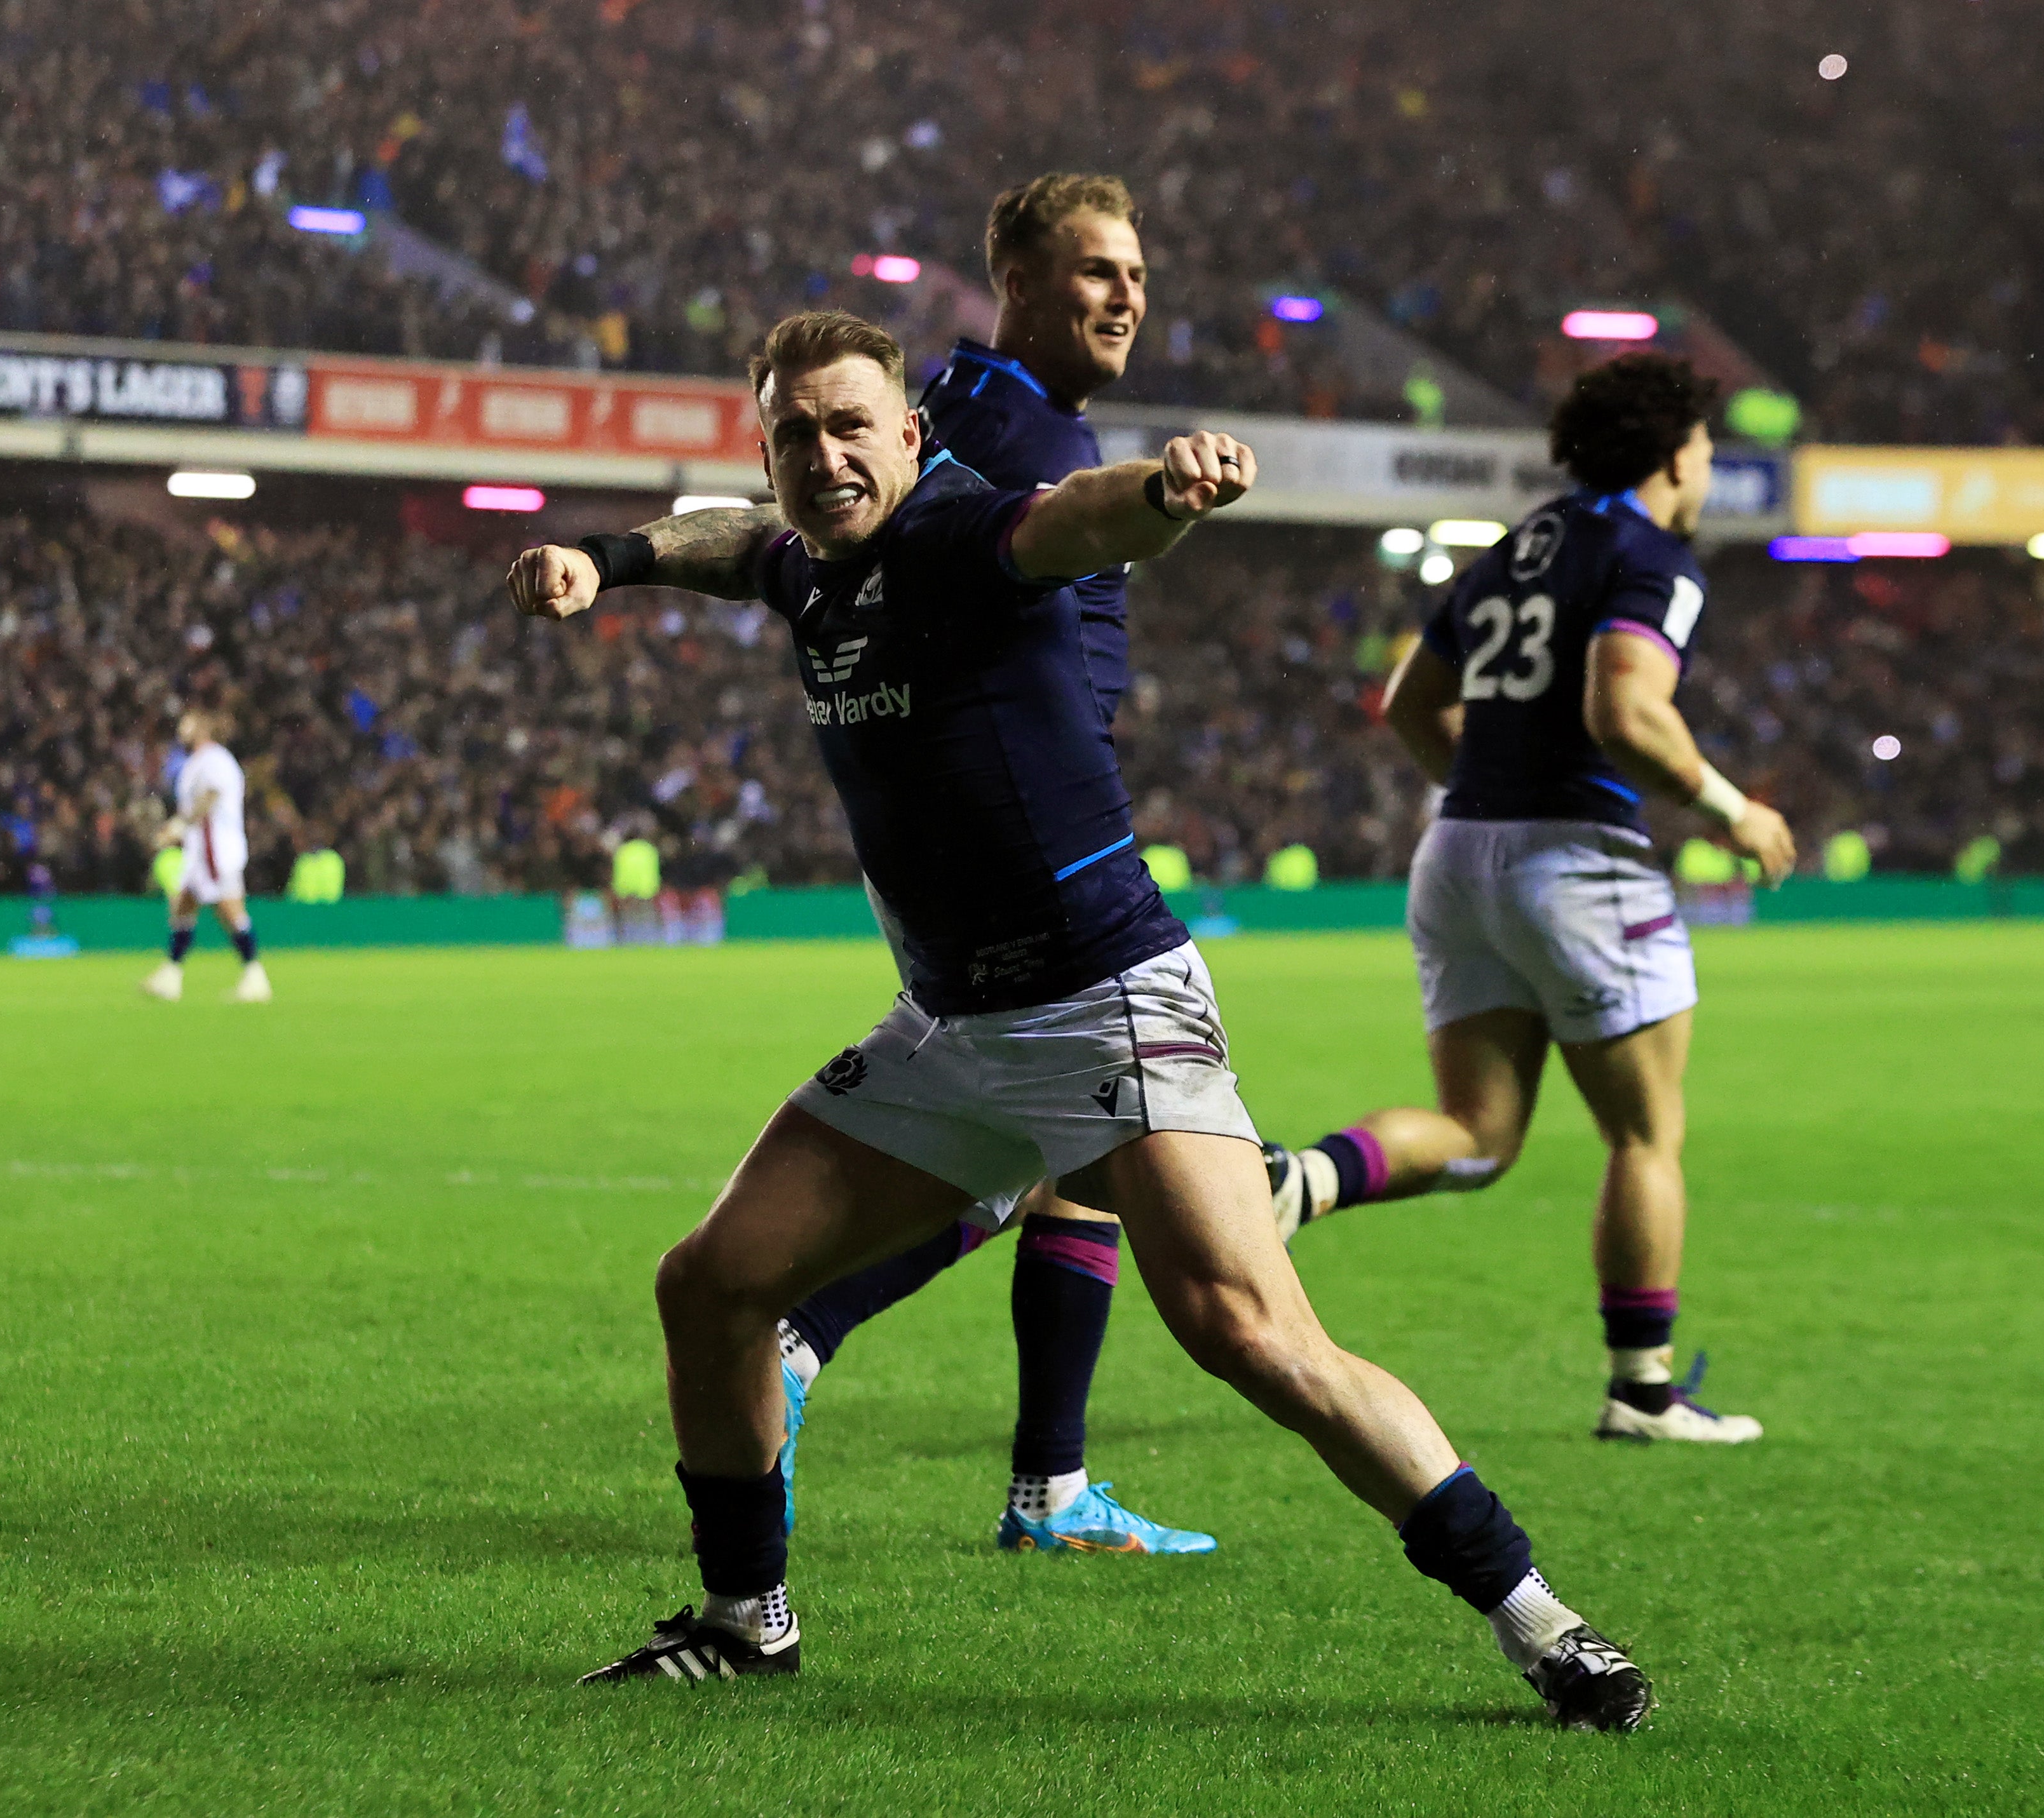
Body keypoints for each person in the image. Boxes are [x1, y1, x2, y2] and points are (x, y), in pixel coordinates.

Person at [506, 311, 1652, 1728]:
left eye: (848, 424)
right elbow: (735, 540)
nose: (821, 453)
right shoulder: (805, 564)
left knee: (1250, 1332)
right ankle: (747, 1622)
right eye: (792, 432)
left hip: (1104, 1007)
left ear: (910, 437)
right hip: (948, 1031)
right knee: (711, 1285)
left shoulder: (955, 535)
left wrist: (1161, 497)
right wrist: (606, 560)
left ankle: (1536, 1621)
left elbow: (1065, 525)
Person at [769, 174, 1208, 1557]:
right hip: (1028, 855)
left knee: (1058, 1165)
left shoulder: (979, 410)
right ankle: (813, 1338)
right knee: (1077, 1159)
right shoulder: (1004, 423)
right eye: (1095, 271)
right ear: (1014, 282)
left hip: (1005, 830)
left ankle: (1048, 1486)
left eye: (1136, 272)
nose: (1126, 295)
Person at [1262, 354, 1794, 1446]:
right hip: (1580, 861)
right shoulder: (1651, 555)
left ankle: (1296, 1180)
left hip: (1456, 852)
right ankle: (1641, 1392)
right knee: (1645, 1133)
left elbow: (1410, 703)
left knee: (1478, 1133)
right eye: (1700, 446)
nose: (1705, 465)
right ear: (1671, 453)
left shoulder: (1518, 546)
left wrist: (1489, 791)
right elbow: (1625, 708)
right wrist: (1732, 807)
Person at [142, 708, 271, 1004]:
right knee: (184, 904)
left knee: (229, 910)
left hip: (216, 848)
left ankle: (255, 974)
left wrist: (178, 825)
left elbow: (211, 796)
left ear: (202, 728)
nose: (180, 729)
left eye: (186, 724)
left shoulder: (214, 759)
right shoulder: (199, 761)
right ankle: (171, 975)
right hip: (202, 847)